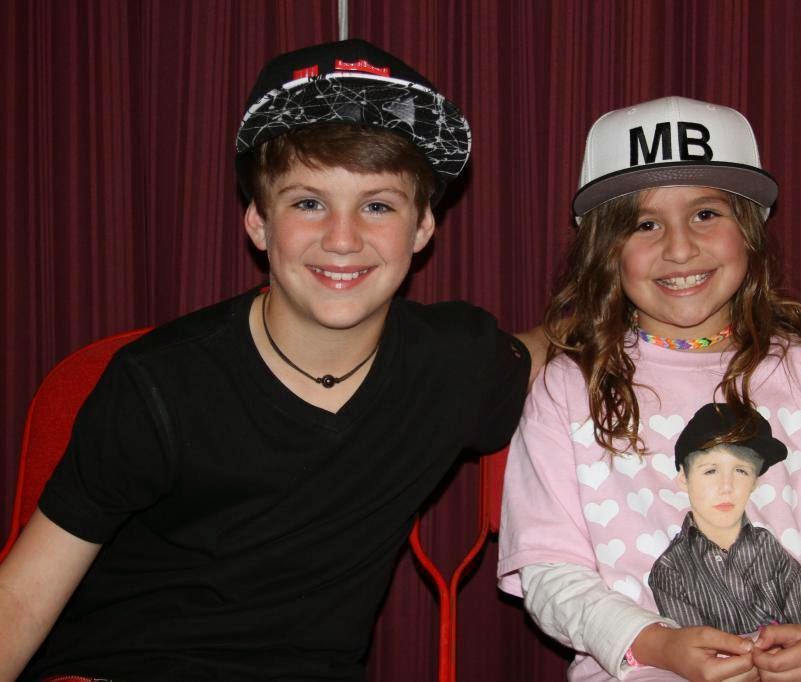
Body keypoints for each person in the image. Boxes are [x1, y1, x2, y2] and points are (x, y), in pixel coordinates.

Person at [0, 39, 541, 680]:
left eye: (377, 205)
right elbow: (20, 599)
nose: (342, 239)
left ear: (423, 227)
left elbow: (561, 342)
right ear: (258, 221)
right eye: (308, 202)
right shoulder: (159, 383)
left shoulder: (452, 362)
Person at [498, 95, 801, 681]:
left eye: (706, 214)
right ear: (605, 251)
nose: (680, 248)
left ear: (750, 233)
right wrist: (655, 644)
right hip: (644, 666)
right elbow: (551, 570)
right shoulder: (567, 391)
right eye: (645, 224)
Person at [648, 402, 801, 635]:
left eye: (741, 471)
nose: (726, 486)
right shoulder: (671, 568)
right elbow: (697, 645)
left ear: (755, 481)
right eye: (710, 471)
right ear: (684, 478)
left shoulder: (768, 547)